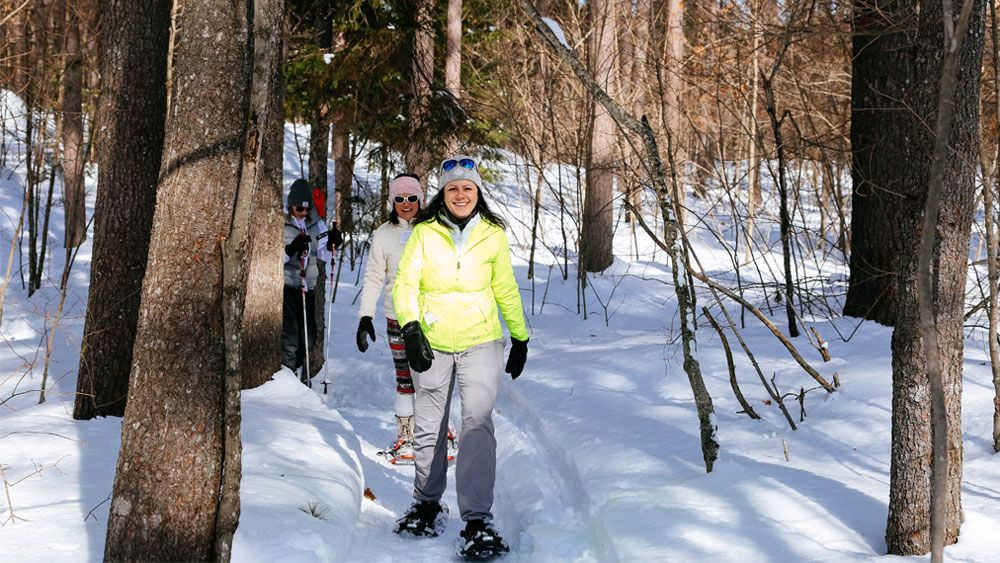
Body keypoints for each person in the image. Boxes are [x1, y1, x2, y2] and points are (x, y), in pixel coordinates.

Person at [390, 155, 529, 559]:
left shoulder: (493, 234)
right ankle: (427, 502)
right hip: (431, 341)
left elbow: (505, 287)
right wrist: (411, 328)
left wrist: (519, 336)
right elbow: (405, 284)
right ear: (443, 194)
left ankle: (477, 519)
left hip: (481, 340)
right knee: (430, 422)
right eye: (453, 188)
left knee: (477, 424)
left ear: (478, 193)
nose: (461, 194)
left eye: (468, 187)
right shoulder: (424, 233)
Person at [357, 173, 457, 465]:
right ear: (392, 201)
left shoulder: (433, 228)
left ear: (420, 200)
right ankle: (407, 437)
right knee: (405, 378)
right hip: (397, 317)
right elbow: (374, 276)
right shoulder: (383, 234)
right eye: (399, 198)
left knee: (433, 378)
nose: (406, 204)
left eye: (412, 198)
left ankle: (441, 433)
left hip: (431, 316)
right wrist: (365, 317)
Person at [283, 178, 342, 384]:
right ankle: (288, 377)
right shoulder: (282, 223)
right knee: (290, 337)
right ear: (291, 205)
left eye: (307, 209)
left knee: (308, 338)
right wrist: (290, 249)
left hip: (308, 287)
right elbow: (275, 256)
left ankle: (296, 370)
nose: (303, 213)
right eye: (299, 208)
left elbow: (325, 254)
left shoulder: (316, 224)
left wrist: (334, 242)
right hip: (288, 286)